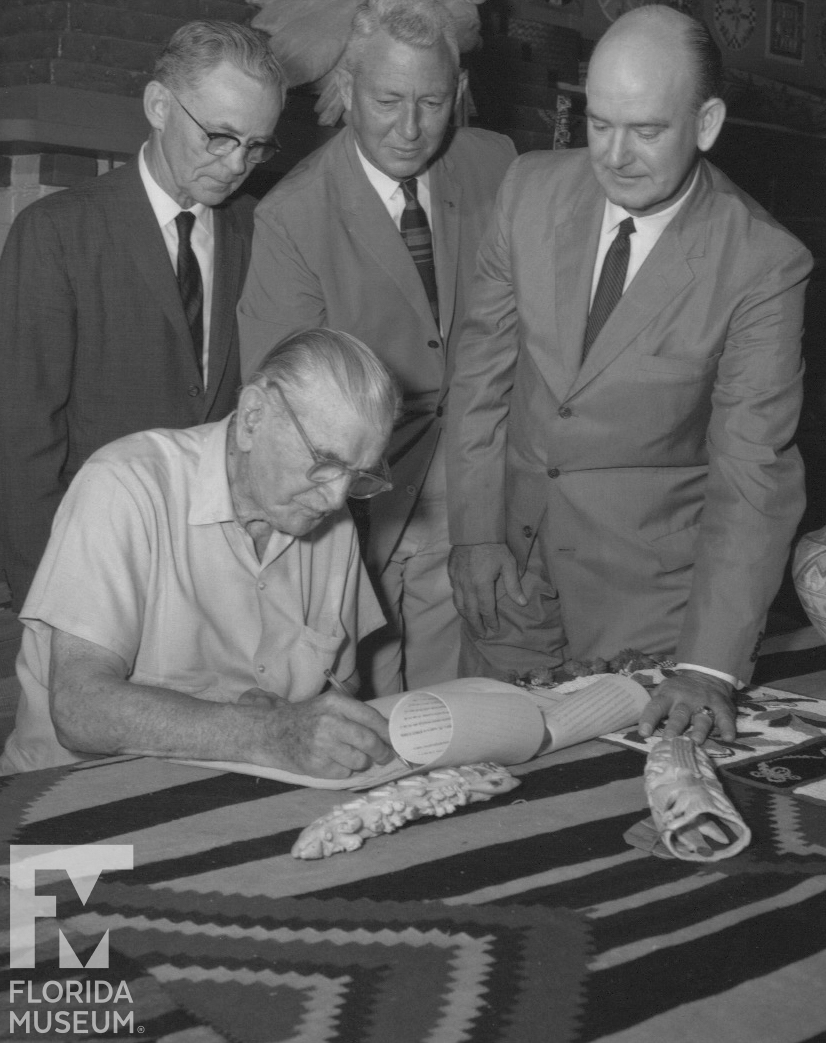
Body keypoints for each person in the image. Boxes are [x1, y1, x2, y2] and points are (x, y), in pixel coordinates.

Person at [446, 4, 812, 744]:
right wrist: (475, 534)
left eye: (646, 131)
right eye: (598, 124)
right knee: (476, 780)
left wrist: (707, 666)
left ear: (705, 124)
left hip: (646, 606)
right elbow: (480, 375)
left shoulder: (763, 264)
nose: (614, 156)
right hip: (508, 576)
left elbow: (752, 475)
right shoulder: (528, 190)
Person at [238, 0, 516, 697]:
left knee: (460, 712)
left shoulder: (498, 164)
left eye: (432, 102)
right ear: (346, 88)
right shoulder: (291, 218)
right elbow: (285, 416)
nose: (411, 128)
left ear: (458, 92)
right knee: (371, 711)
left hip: (481, 495)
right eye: (388, 100)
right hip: (359, 511)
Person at [0, 328, 400, 777]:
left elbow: (342, 682)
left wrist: (291, 721)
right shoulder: (125, 485)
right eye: (324, 463)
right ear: (253, 417)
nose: (336, 497)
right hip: (67, 793)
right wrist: (264, 731)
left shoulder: (330, 519)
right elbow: (80, 710)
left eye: (358, 475)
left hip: (236, 785)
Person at [0, 20, 287, 612]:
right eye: (220, 136)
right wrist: (47, 600)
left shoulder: (261, 229)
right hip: (93, 563)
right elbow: (22, 440)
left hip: (222, 574)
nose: (237, 163)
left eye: (257, 145)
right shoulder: (57, 233)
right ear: (159, 106)